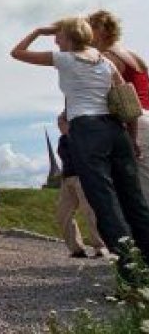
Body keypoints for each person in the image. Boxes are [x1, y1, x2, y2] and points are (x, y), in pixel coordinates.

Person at [10, 17, 149, 268]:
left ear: (69, 37)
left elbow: (17, 53)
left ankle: (131, 270)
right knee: (134, 198)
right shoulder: (105, 61)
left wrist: (38, 30)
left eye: (58, 36)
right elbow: (128, 101)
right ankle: (147, 258)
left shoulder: (65, 59)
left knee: (104, 201)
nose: (55, 40)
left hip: (87, 130)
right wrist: (131, 139)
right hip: (116, 130)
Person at [89, 9, 149, 204]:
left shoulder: (106, 57)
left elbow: (106, 97)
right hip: (146, 115)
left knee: (138, 189)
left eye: (90, 28)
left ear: (101, 30)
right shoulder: (133, 56)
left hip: (133, 122)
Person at [55, 113, 107, 258]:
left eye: (61, 123)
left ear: (69, 123)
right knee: (63, 213)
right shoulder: (62, 140)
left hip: (83, 177)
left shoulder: (81, 136)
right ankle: (76, 248)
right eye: (58, 124)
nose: (59, 126)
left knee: (90, 212)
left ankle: (100, 247)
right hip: (67, 178)